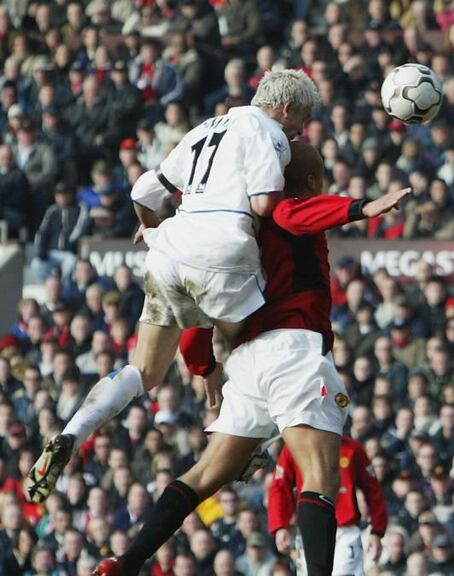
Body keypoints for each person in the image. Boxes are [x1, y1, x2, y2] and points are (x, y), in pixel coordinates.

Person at [92, 141, 409, 576]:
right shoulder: (284, 211)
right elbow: (296, 214)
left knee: (204, 474)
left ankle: (125, 561)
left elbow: (197, 321)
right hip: (292, 351)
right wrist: (363, 208)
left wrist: (204, 366)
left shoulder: (231, 232)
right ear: (313, 184)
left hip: (248, 363)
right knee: (321, 475)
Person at [26, 69, 322, 504]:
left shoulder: (206, 127)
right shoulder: (270, 133)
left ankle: (72, 431)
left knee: (143, 371)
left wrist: (151, 229)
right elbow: (263, 203)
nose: (300, 132)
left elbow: (144, 191)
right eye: (301, 120)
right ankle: (247, 447)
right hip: (225, 252)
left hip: (171, 250)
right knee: (264, 349)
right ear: (287, 108)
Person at [269, 437, 389, 576]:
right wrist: (280, 526)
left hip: (345, 531)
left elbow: (372, 488)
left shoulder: (352, 448)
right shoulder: (294, 447)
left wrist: (377, 530)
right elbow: (280, 487)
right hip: (309, 531)